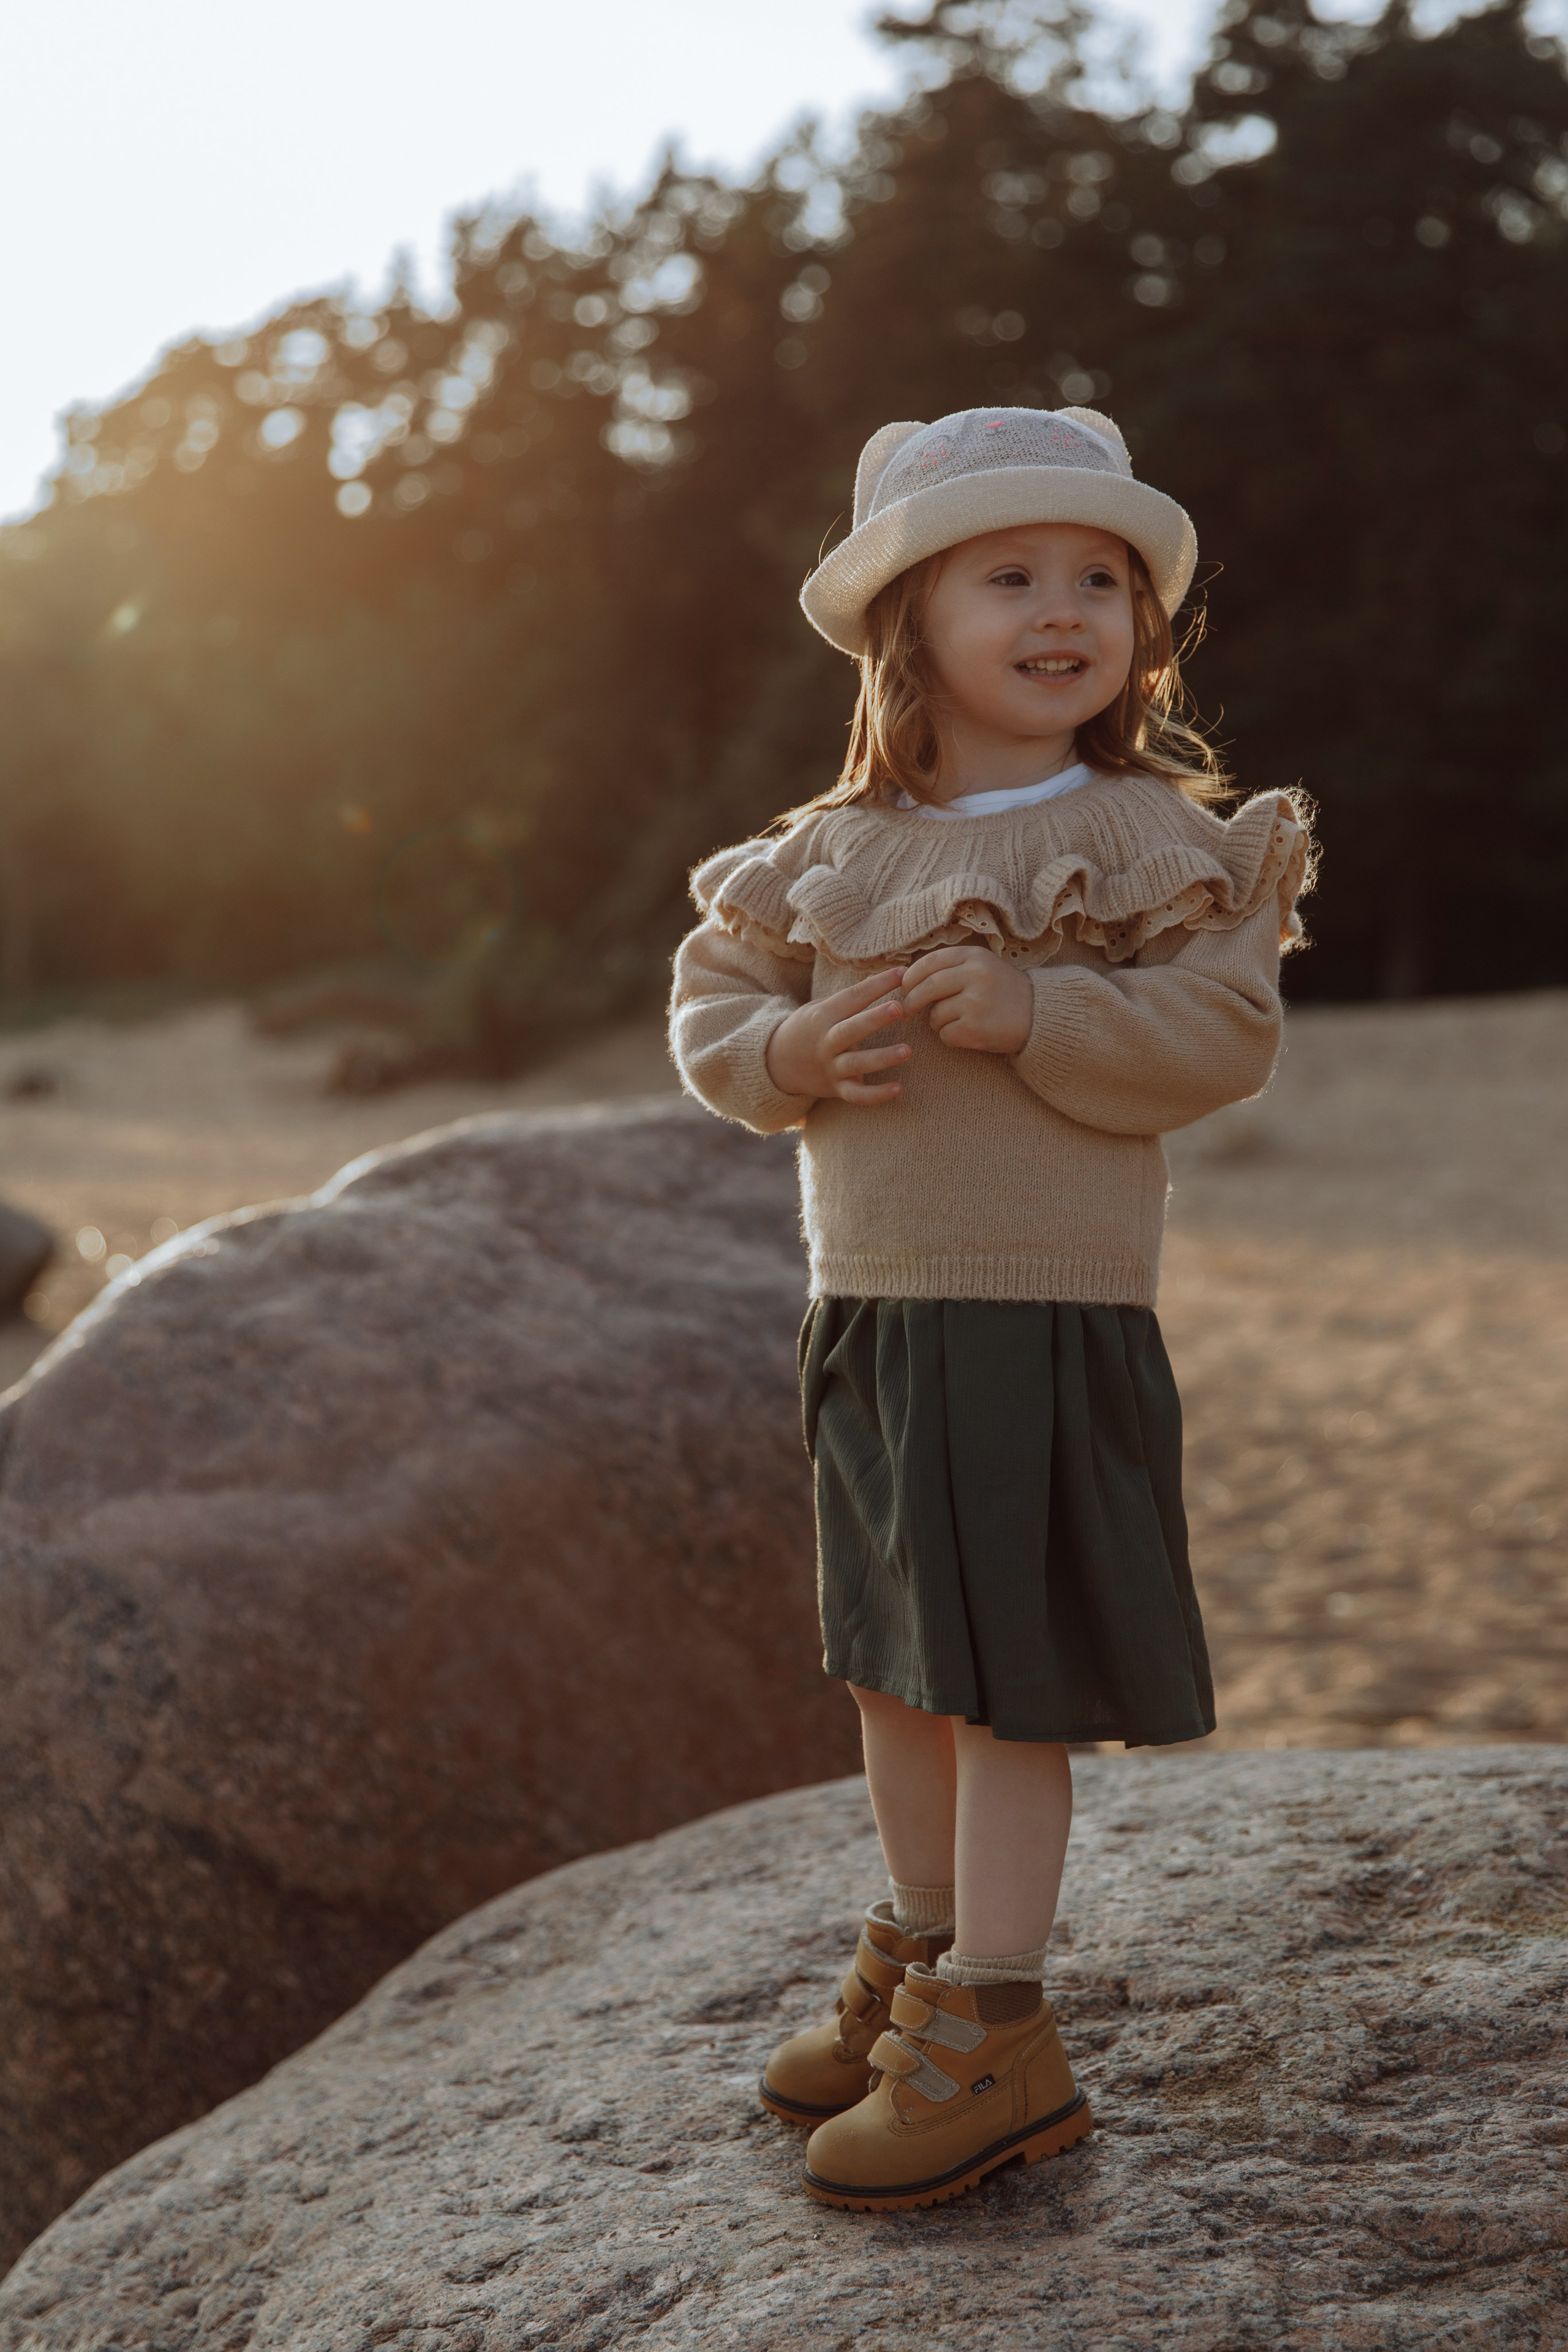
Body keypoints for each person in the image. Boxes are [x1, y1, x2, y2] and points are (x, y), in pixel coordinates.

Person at [668, 404, 1311, 2212]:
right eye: (1010, 574)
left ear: (1141, 630)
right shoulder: (828, 849)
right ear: (909, 628)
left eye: (1099, 579)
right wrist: (788, 1046)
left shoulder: (1151, 833)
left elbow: (1224, 1036)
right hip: (871, 1309)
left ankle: (1005, 2029)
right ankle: (924, 1955)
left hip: (1043, 1313)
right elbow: (716, 1013)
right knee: (894, 1668)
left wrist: (1039, 1017)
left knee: (1007, 1691)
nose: (1063, 609)